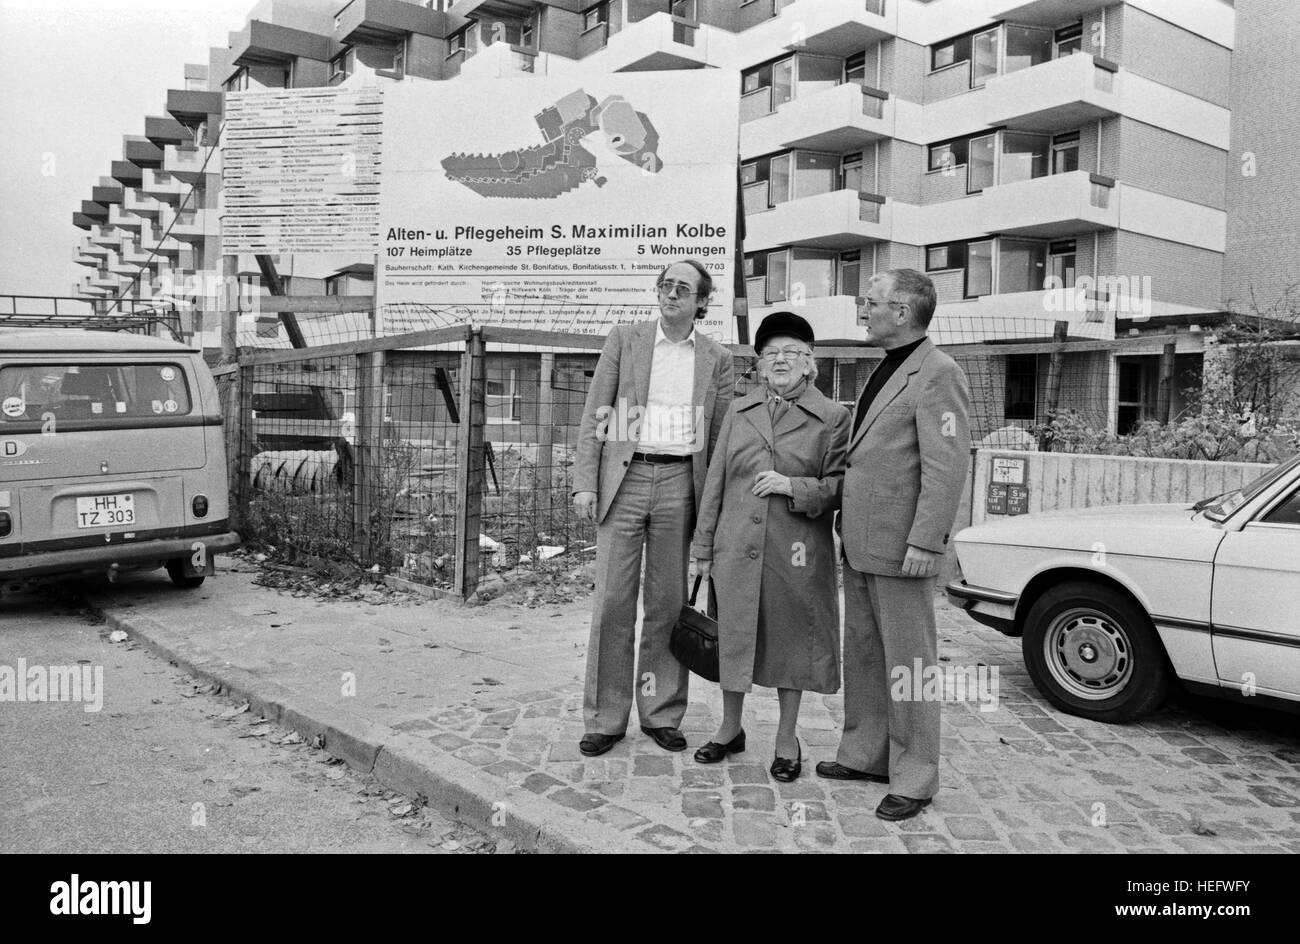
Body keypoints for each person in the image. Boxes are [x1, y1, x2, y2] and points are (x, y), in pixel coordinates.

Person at [816, 268, 971, 820]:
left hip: (904, 548)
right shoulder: (888, 367)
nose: (863, 310)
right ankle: (864, 753)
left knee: (910, 663)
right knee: (865, 654)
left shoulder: (938, 373)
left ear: (902, 312)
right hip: (861, 542)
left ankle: (916, 775)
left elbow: (947, 464)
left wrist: (928, 540)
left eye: (871, 302)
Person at [572, 259, 735, 757]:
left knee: (666, 604)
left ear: (701, 302)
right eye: (665, 285)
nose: (670, 295)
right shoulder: (628, 340)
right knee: (613, 603)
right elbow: (598, 412)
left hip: (680, 483)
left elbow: (723, 437)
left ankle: (660, 711)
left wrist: (714, 504)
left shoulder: (716, 358)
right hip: (625, 478)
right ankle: (605, 718)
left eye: (682, 288)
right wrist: (585, 482)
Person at [689, 312, 850, 782]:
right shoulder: (739, 411)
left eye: (791, 353)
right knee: (733, 638)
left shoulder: (833, 418)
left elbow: (840, 487)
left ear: (809, 363)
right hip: (735, 546)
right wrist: (703, 546)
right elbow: (715, 480)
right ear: (758, 365)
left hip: (796, 552)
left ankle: (786, 738)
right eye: (770, 354)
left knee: (791, 644)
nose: (780, 361)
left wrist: (792, 485)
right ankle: (729, 728)